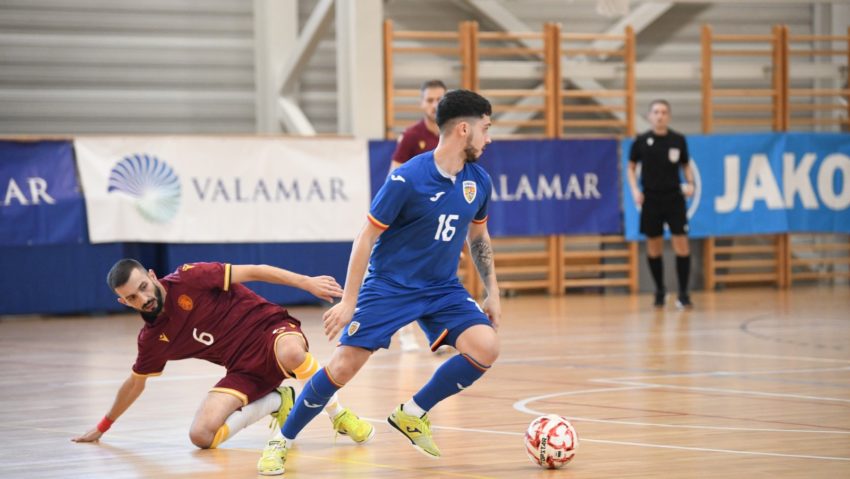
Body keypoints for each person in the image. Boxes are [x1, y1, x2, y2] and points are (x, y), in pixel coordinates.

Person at [258, 89, 501, 474]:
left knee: (485, 347)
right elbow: (365, 238)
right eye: (486, 129)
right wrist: (350, 301)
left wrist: (493, 292)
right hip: (390, 285)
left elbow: (478, 238)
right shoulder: (407, 178)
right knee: (342, 368)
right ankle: (281, 441)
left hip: (441, 288)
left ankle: (413, 412)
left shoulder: (479, 180)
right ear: (464, 130)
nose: (489, 139)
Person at [71, 259, 374, 476]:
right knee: (201, 436)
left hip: (271, 330)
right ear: (123, 302)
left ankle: (339, 415)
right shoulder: (151, 340)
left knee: (293, 354)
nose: (144, 298)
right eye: (133, 297)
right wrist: (102, 427)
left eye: (143, 287)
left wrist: (305, 282)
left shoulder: (191, 277)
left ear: (151, 276)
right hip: (242, 370)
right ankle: (277, 400)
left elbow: (256, 271)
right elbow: (135, 384)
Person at [389, 79, 447, 352]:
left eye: (439, 99)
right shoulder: (413, 136)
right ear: (421, 104)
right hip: (414, 217)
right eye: (430, 100)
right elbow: (395, 175)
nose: (434, 105)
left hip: (443, 218)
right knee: (408, 274)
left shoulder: (454, 135)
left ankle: (441, 332)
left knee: (440, 274)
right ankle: (406, 332)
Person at [627, 99, 695, 309]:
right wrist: (635, 190)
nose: (660, 115)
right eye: (656, 112)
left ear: (669, 116)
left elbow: (686, 165)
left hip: (674, 198)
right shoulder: (641, 141)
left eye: (664, 112)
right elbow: (630, 167)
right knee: (653, 246)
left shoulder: (678, 140)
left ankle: (683, 293)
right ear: (649, 116)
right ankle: (660, 290)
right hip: (651, 199)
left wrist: (690, 183)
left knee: (681, 244)